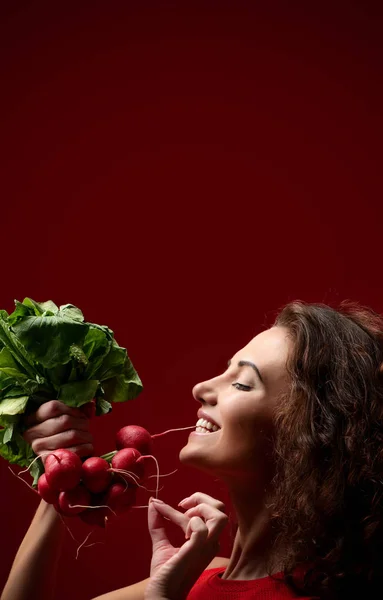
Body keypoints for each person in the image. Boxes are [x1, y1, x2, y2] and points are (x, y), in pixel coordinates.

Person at [2, 300, 383, 600]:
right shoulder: (192, 575)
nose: (201, 387)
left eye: (243, 384)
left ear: (308, 437)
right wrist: (63, 479)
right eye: (225, 369)